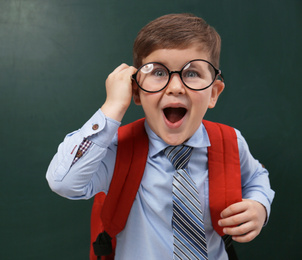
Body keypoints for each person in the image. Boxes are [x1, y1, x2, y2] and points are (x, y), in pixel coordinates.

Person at [46, 13, 274, 259]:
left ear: (213, 93)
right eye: (158, 72)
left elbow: (256, 176)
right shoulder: (117, 149)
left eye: (192, 73)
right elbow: (63, 182)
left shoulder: (230, 142)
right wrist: (112, 107)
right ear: (136, 91)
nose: (175, 87)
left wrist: (259, 205)